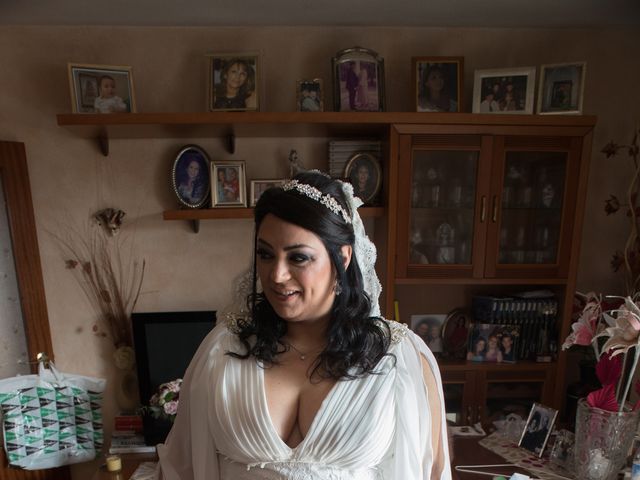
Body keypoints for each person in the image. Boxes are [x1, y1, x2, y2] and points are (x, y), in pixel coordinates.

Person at [155, 171, 451, 479]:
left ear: (343, 257)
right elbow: (181, 467)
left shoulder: (400, 359)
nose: (276, 275)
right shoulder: (223, 350)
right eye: (265, 254)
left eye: (298, 258)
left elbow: (431, 471)